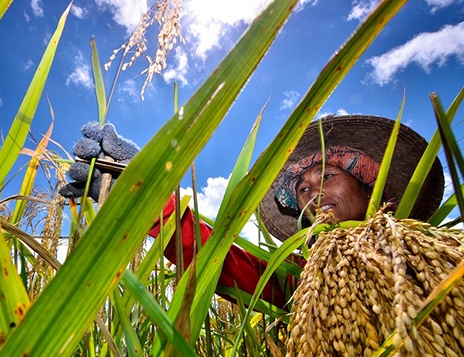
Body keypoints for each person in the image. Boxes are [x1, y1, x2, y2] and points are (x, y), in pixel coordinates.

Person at [59, 115, 445, 308]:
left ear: (370, 187)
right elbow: (219, 260)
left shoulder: (437, 258)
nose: (312, 193)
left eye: (326, 175)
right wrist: (142, 193)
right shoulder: (300, 280)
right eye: (302, 189)